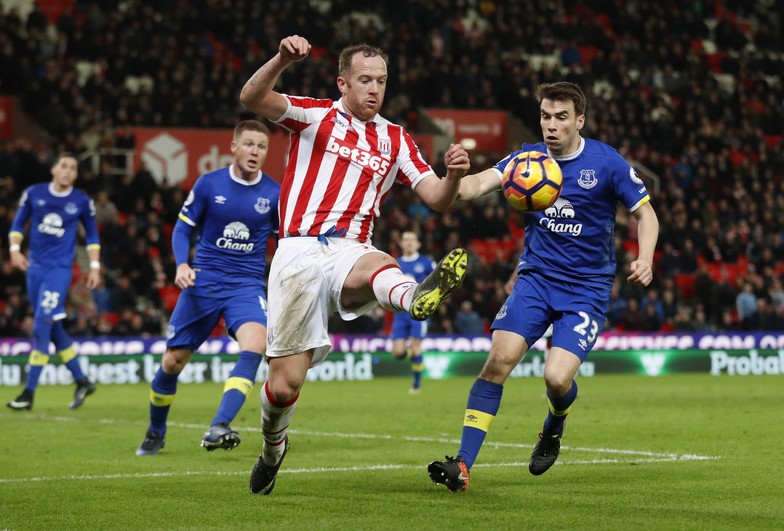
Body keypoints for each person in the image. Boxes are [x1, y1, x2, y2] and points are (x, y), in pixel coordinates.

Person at [239, 35, 471, 495]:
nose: (374, 89)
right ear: (342, 82)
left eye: (381, 81)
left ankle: (413, 296)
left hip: (351, 249)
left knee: (379, 264)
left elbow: (436, 200)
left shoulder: (396, 139)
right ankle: (272, 446)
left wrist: (456, 177)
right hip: (297, 252)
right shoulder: (314, 115)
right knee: (284, 387)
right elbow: (251, 98)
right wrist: (283, 59)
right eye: (365, 80)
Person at [427, 82, 659, 491]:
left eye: (561, 117)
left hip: (586, 288)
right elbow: (477, 186)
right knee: (498, 361)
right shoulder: (526, 159)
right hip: (536, 279)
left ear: (580, 120)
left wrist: (645, 257)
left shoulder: (607, 163)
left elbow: (647, 215)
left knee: (556, 379)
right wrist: (454, 177)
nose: (551, 126)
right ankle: (462, 464)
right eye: (545, 117)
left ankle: (553, 426)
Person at [135, 120, 280, 456]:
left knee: (256, 345)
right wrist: (182, 265)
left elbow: (283, 240)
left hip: (246, 285)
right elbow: (182, 229)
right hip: (205, 281)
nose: (254, 152)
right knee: (173, 362)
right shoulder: (208, 184)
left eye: (261, 146)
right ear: (234, 147)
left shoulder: (274, 194)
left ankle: (219, 425)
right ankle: (156, 430)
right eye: (248, 144)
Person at [6, 152, 101, 411]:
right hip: (34, 269)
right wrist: (14, 250)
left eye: (73, 168)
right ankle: (82, 380)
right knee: (54, 329)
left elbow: (92, 236)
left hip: (59, 271)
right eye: (64, 166)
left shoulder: (81, 200)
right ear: (53, 170)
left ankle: (28, 393)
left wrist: (94, 267)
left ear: (76, 174)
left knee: (41, 327)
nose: (68, 171)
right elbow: (17, 225)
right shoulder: (34, 193)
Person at [390, 231, 436, 394]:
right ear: (401, 244)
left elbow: (438, 284)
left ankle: (416, 384)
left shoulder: (427, 263)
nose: (409, 243)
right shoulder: (394, 263)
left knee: (416, 343)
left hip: (419, 311)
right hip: (400, 312)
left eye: (412, 240)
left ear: (418, 244)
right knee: (398, 352)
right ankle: (414, 355)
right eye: (406, 240)